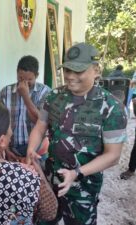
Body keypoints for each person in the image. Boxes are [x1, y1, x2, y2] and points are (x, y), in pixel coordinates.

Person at [26, 43, 127, 225]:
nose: (70, 76)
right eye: (67, 70)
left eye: (78, 71)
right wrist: (31, 149)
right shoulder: (54, 95)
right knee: (43, 220)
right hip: (50, 179)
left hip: (83, 187)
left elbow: (113, 155)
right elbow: (41, 125)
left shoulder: (112, 107)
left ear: (96, 70)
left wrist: (76, 173)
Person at [0, 55, 51, 157]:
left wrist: (25, 96)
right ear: (17, 72)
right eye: (20, 78)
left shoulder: (46, 92)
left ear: (37, 75)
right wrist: (6, 149)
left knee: (38, 172)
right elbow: (1, 122)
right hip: (12, 148)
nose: (24, 83)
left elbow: (40, 122)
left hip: (37, 149)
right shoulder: (5, 92)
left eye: (29, 79)